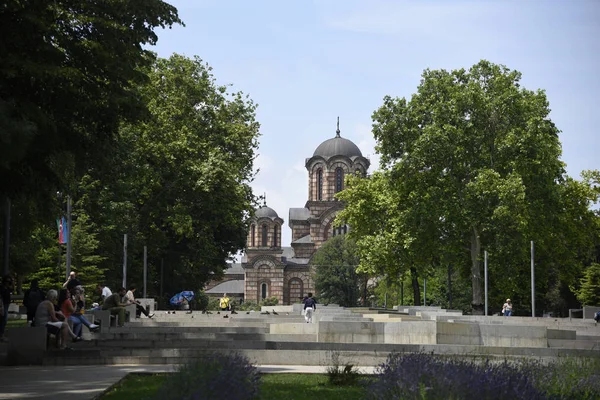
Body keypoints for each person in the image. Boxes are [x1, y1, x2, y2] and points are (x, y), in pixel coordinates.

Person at [0, 275, 14, 342]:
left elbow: (12, 288)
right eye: (7, 281)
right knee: (3, 320)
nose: (8, 283)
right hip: (3, 305)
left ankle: (1, 334)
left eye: (9, 282)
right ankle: (1, 335)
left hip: (6, 304)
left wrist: (12, 281)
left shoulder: (8, 288)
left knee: (4, 320)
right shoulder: (2, 288)